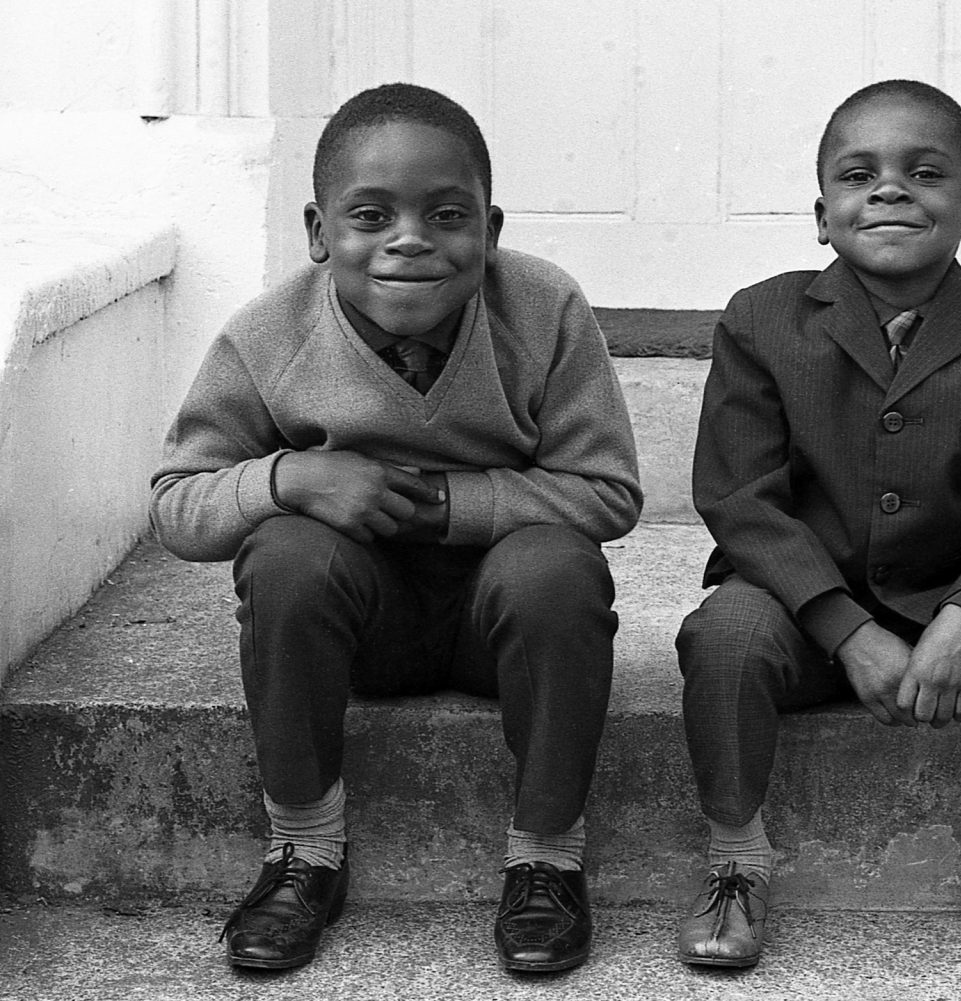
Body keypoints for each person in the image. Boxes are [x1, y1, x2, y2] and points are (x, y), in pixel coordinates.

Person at [150, 82, 642, 974]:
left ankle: (546, 856)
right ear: (318, 232)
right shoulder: (269, 334)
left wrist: (454, 503)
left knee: (557, 568)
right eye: (371, 215)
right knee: (285, 553)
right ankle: (304, 847)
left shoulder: (543, 309)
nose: (409, 239)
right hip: (362, 625)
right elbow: (179, 504)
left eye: (447, 215)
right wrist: (292, 477)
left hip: (501, 622)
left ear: (491, 231)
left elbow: (607, 491)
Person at [674, 79, 961, 968]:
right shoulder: (762, 320)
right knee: (726, 631)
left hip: (951, 631)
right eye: (859, 175)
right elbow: (741, 501)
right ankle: (736, 862)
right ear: (823, 216)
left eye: (925, 173)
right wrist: (845, 629)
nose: (889, 189)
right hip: (802, 616)